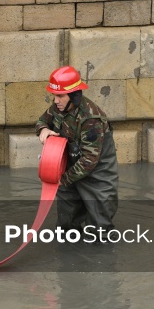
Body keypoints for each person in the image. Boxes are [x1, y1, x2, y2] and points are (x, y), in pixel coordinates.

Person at [35, 66, 119, 243]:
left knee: (100, 229)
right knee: (65, 225)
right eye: (54, 95)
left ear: (74, 95)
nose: (55, 100)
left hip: (97, 175)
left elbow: (89, 160)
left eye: (60, 96)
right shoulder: (58, 108)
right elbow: (42, 120)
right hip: (70, 168)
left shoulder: (91, 119)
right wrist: (43, 130)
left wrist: (63, 180)